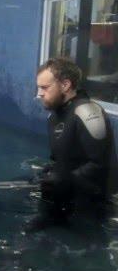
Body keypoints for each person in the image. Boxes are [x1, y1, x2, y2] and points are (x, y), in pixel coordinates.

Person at [27, 57, 118, 232]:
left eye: (44, 88)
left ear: (65, 85)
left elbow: (101, 165)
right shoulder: (54, 116)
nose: (39, 94)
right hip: (65, 198)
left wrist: (64, 179)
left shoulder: (88, 111)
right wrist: (50, 173)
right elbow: (60, 160)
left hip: (91, 207)